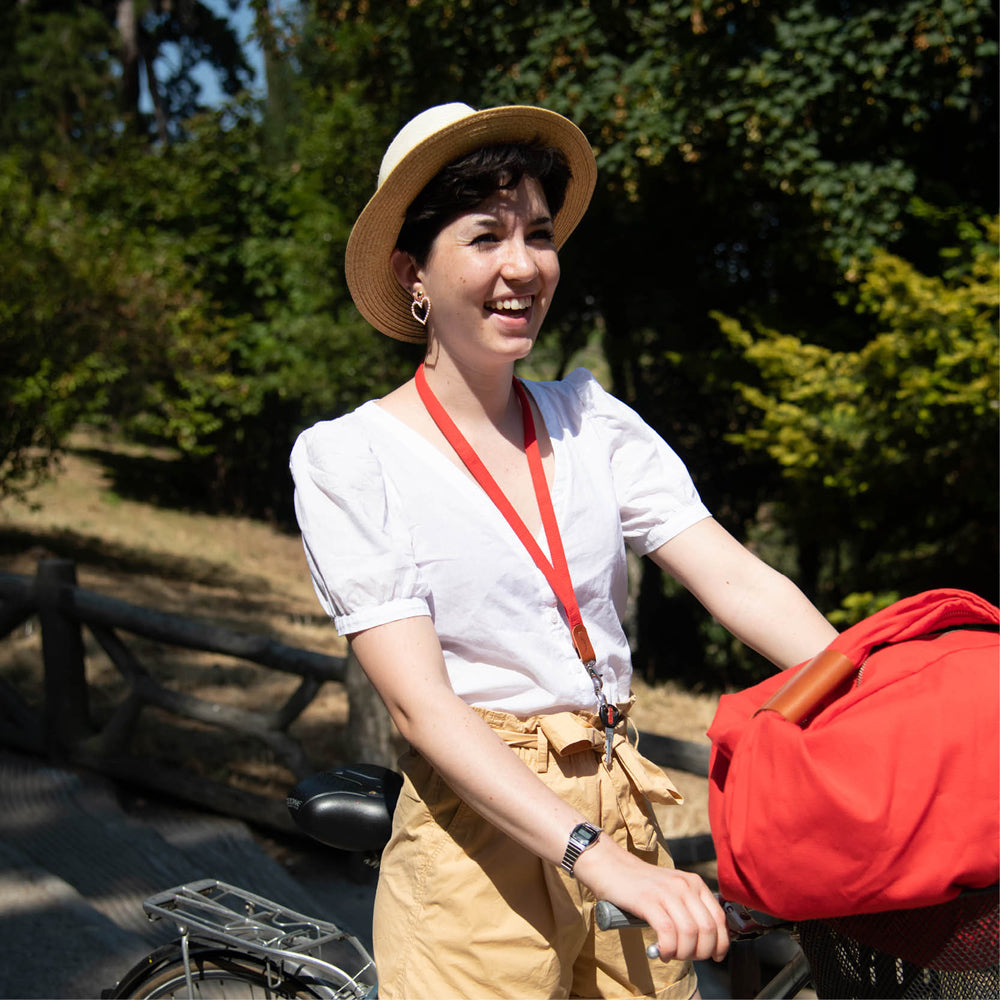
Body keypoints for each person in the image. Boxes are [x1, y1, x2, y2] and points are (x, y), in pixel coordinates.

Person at [290, 102, 838, 1000]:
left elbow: (736, 578)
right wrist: (602, 864)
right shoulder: (351, 458)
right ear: (412, 272)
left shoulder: (592, 420)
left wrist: (877, 689)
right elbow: (422, 707)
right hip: (480, 841)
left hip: (620, 804)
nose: (522, 267)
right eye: (483, 238)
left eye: (538, 235)